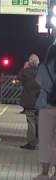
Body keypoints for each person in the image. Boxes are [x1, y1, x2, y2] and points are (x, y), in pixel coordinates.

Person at [34, 44, 56, 180]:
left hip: (46, 107)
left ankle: (44, 173)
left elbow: (38, 82)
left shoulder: (43, 67)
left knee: (45, 141)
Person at [17, 54, 40, 150]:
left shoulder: (26, 72)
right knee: (38, 122)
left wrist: (24, 68)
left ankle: (31, 143)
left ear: (29, 62)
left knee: (31, 122)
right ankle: (38, 141)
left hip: (30, 101)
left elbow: (19, 78)